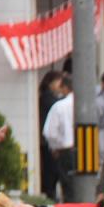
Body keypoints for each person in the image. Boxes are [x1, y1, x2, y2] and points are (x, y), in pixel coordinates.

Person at [42, 73, 75, 201]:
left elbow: (50, 132)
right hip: (87, 150)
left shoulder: (59, 106)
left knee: (68, 187)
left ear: (65, 88)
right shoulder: (89, 104)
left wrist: (55, 147)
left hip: (65, 151)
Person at [38, 71, 65, 199]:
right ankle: (50, 193)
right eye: (58, 81)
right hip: (47, 141)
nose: (59, 84)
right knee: (51, 169)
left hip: (48, 141)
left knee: (52, 169)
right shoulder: (47, 98)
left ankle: (51, 192)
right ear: (50, 82)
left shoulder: (49, 97)